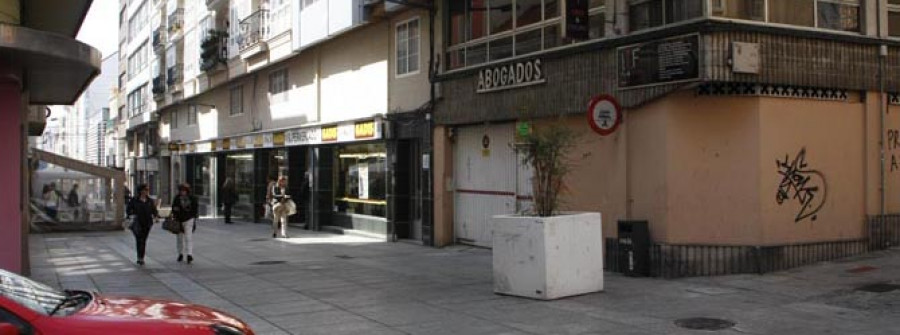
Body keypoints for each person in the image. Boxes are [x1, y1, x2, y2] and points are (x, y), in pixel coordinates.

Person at [127, 184, 159, 266]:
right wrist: (131, 214)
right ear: (140, 191)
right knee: (139, 239)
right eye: (144, 190)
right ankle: (139, 258)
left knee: (143, 240)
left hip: (147, 223)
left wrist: (156, 216)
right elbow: (128, 209)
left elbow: (154, 210)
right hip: (137, 223)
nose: (146, 192)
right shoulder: (134, 200)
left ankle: (141, 257)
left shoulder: (149, 200)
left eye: (147, 190)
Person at [171, 184, 199, 264]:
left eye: (184, 190)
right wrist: (175, 211)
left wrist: (193, 216)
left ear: (187, 191)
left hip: (189, 219)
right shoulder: (177, 198)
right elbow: (173, 208)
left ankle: (189, 254)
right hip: (179, 220)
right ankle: (180, 253)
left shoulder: (192, 198)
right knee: (179, 238)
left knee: (188, 237)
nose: (183, 192)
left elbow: (195, 208)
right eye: (181, 190)